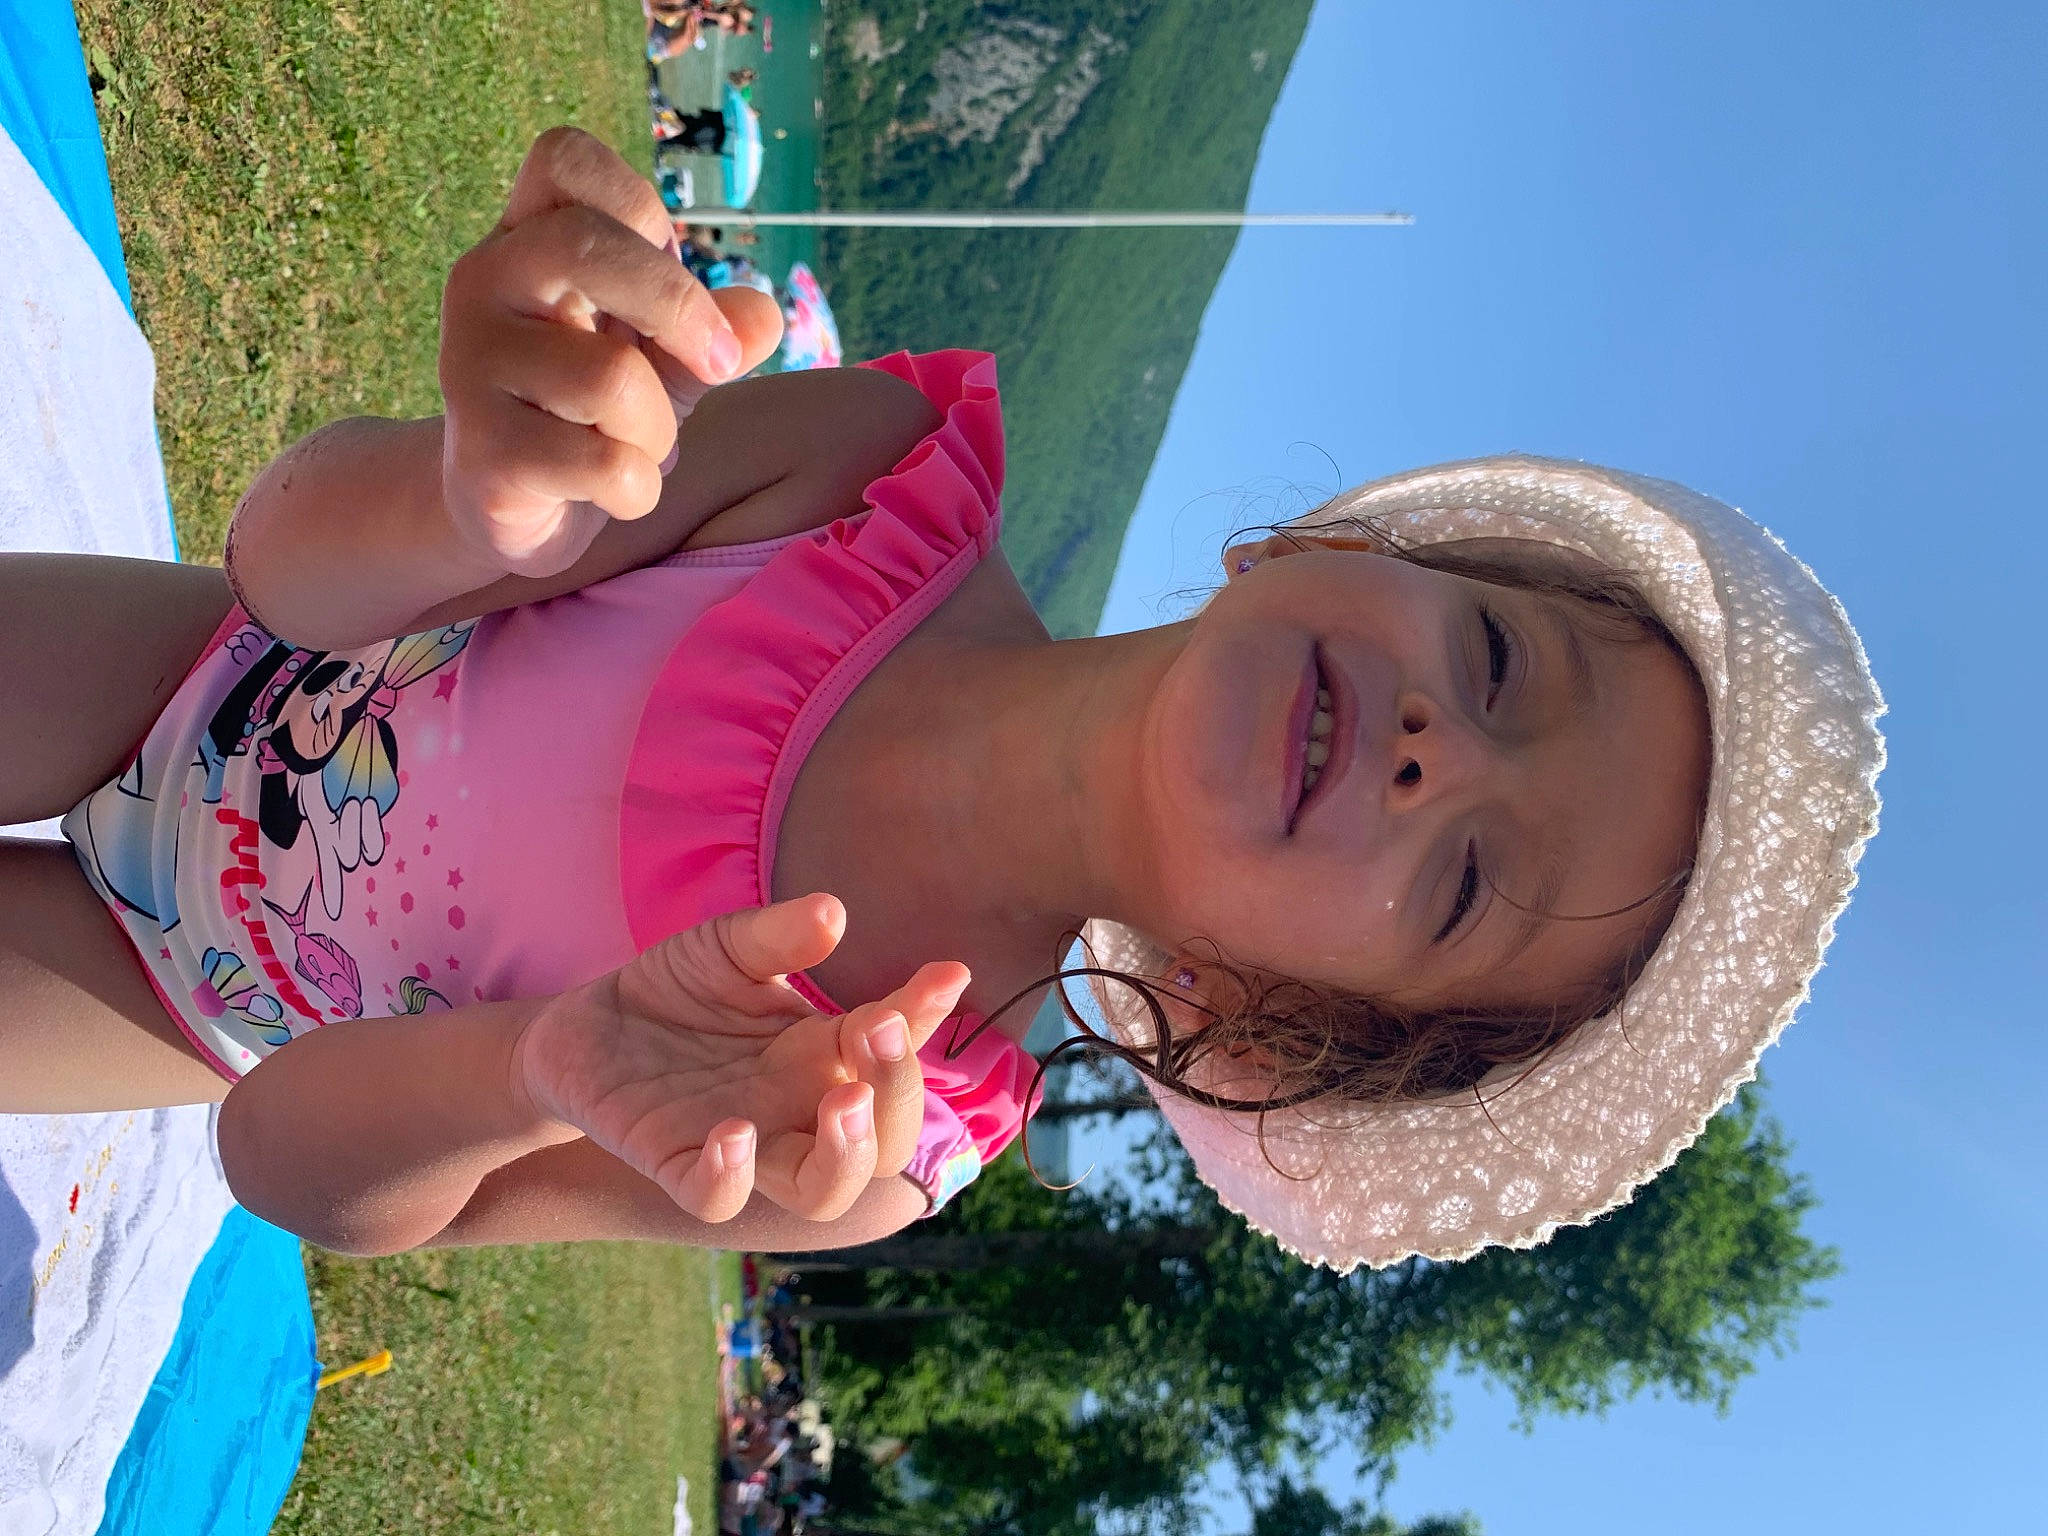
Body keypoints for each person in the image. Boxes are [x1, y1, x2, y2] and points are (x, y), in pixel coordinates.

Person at [0, 128, 1884, 1271]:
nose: (1434, 754)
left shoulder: (871, 1137)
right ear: (1327, 543)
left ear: (1270, 1020)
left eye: (1467, 879)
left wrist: (528, 1071)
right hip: (199, 662)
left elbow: (293, 1165)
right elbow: (285, 560)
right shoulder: (872, 473)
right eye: (1493, 665)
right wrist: (462, 497)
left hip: (183, 1001)